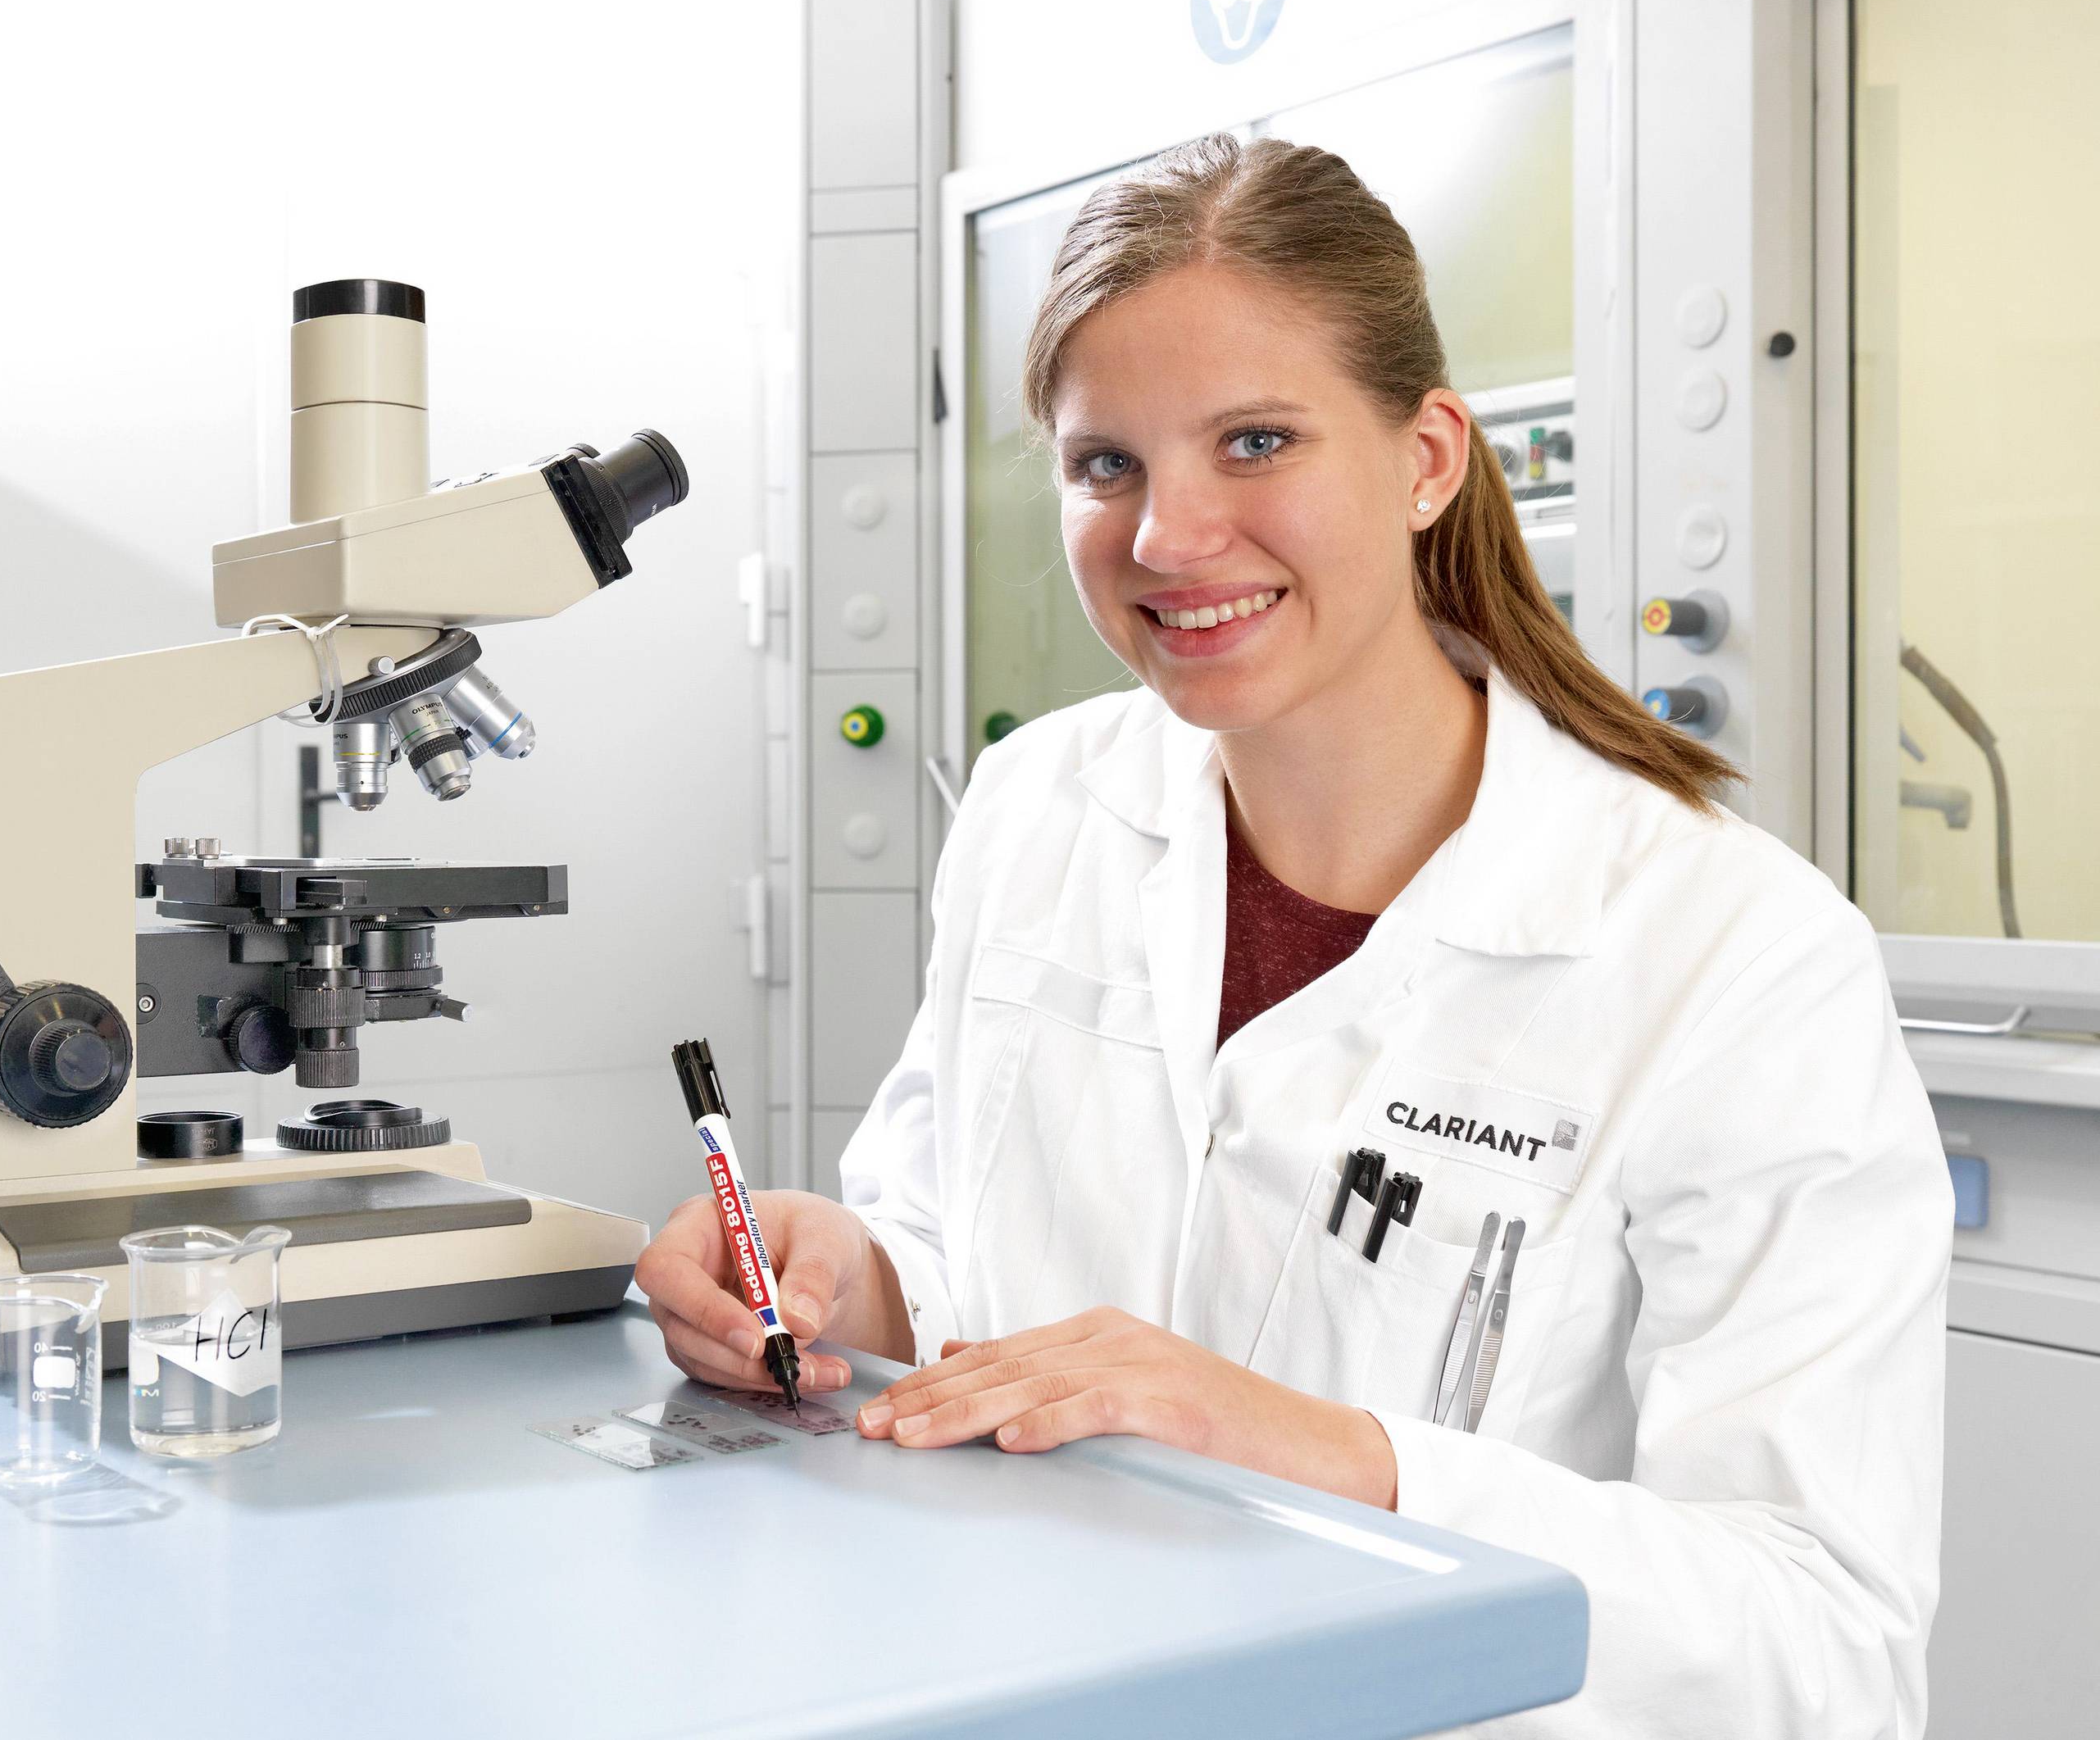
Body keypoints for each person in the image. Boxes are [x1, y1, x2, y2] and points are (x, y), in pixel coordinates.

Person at [638, 134, 1948, 1737]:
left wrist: (1318, 1453)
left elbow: (1826, 1647)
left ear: (1427, 459)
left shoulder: (1734, 956)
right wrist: (851, 1284)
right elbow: (944, 1248)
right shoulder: (1037, 805)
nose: (1168, 538)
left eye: (1254, 442)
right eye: (1104, 463)